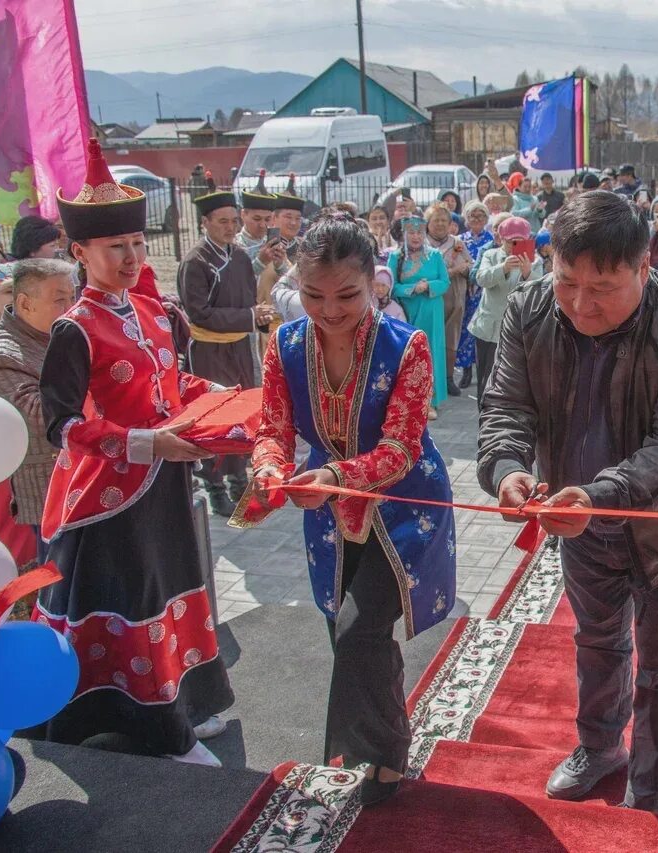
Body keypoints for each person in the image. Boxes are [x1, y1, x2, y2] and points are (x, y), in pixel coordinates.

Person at [478, 190, 658, 815]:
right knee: (597, 640)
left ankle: (652, 788)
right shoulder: (530, 310)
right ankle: (600, 746)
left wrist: (598, 493)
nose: (582, 304)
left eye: (603, 287)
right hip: (578, 519)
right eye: (567, 282)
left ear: (645, 268)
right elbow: (505, 407)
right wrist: (507, 469)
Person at [240, 212, 455, 807]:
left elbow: (401, 446)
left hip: (401, 507)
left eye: (347, 295)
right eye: (313, 295)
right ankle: (388, 748)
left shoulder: (405, 344)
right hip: (328, 515)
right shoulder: (284, 344)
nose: (330, 310)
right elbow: (273, 431)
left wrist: (335, 474)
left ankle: (371, 751)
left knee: (361, 627)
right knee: (352, 633)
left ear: (374, 283)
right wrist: (270, 470)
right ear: (294, 284)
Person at [35, 138, 233, 767]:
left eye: (138, 245)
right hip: (108, 499)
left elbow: (175, 386)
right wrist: (147, 443)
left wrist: (227, 401)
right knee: (139, 602)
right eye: (115, 247)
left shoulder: (155, 311)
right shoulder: (75, 328)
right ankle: (161, 735)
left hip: (167, 482)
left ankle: (185, 710)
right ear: (80, 252)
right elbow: (61, 426)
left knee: (177, 584)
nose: (130, 257)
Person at [177, 178, 276, 516]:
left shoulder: (239, 257)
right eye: (223, 221)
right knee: (214, 418)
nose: (231, 228)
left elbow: (249, 299)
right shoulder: (196, 261)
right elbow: (199, 313)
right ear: (205, 223)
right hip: (209, 351)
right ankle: (214, 485)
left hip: (238, 349)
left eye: (234, 221)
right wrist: (249, 316)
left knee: (241, 412)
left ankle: (238, 481)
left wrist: (258, 317)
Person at [0, 258, 76, 563]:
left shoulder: (62, 334)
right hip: (50, 492)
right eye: (60, 299)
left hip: (84, 482)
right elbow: (39, 416)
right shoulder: (3, 356)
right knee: (62, 586)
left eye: (73, 298)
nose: (71, 308)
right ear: (25, 303)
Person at [467, 215, 541, 401]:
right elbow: (481, 278)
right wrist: (503, 268)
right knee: (486, 377)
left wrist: (527, 273)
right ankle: (483, 416)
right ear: (501, 239)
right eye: (510, 242)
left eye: (520, 241)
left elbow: (540, 290)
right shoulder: (490, 255)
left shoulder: (535, 260)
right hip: (488, 329)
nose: (514, 246)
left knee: (514, 378)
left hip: (518, 329)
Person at [387, 215, 449, 418]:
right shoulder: (396, 257)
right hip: (407, 311)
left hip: (432, 310)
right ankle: (407, 399)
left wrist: (428, 286)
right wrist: (412, 288)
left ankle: (430, 400)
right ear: (404, 235)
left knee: (431, 352)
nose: (416, 236)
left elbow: (445, 282)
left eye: (419, 232)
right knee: (407, 355)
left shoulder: (435, 256)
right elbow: (389, 286)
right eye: (411, 232)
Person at [426, 204, 471, 398]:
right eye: (435, 220)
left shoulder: (457, 243)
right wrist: (449, 271)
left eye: (444, 220)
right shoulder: (422, 244)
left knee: (450, 339)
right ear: (428, 223)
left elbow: (470, 265)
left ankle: (448, 378)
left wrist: (463, 268)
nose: (440, 224)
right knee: (428, 338)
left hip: (454, 298)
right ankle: (428, 380)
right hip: (430, 298)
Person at [455, 201, 494, 391]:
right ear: (466, 219)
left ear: (486, 219)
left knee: (481, 331)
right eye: (473, 215)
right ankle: (466, 370)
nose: (477, 219)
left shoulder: (492, 239)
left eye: (481, 215)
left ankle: (483, 370)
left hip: (484, 292)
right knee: (464, 330)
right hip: (464, 291)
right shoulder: (459, 240)